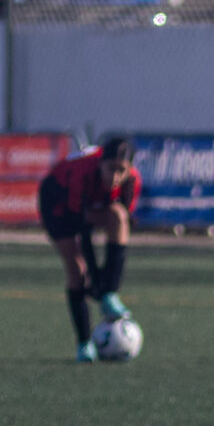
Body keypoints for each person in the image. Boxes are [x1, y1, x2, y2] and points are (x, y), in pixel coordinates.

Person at [38, 138, 138, 361]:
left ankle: (112, 293)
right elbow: (83, 232)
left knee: (119, 217)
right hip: (58, 205)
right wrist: (96, 283)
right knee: (78, 271)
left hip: (89, 207)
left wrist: (105, 289)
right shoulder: (81, 175)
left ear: (129, 169)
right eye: (110, 168)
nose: (115, 176)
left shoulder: (132, 182)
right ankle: (84, 344)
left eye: (121, 170)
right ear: (100, 163)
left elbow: (122, 218)